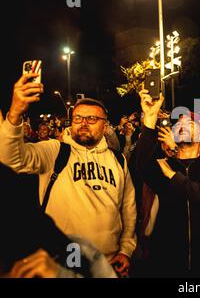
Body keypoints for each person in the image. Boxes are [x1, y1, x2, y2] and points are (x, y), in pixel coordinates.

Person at [0, 74, 137, 277]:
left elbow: (128, 209)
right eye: (78, 118)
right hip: (61, 262)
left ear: (105, 125)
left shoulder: (118, 160)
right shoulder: (55, 151)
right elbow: (11, 159)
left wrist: (126, 250)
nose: (83, 123)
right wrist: (15, 115)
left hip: (108, 263)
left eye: (91, 118)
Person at [136, 90, 200, 277]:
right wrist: (151, 116)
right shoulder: (163, 165)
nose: (182, 125)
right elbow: (140, 165)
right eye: (178, 123)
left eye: (190, 123)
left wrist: (173, 176)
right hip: (168, 260)